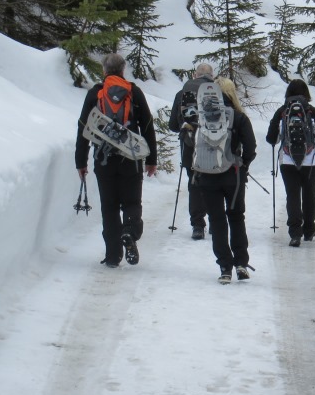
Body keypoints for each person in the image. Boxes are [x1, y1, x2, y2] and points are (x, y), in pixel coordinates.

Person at [75, 53, 158, 268]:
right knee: (131, 202)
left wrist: (81, 161)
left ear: (104, 71)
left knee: (109, 207)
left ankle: (113, 255)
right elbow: (148, 126)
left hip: (104, 159)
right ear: (123, 70)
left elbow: (84, 127)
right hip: (130, 159)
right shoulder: (134, 92)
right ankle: (129, 232)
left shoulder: (96, 93)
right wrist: (151, 159)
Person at [193, 77, 257, 284]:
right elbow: (251, 147)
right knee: (236, 217)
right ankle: (240, 263)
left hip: (207, 175)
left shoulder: (202, 117)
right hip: (233, 176)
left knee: (217, 221)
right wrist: (243, 164)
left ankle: (224, 267)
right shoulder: (239, 117)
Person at [265, 79, 315, 247]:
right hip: (311, 162)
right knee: (309, 195)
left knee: (292, 195)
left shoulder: (283, 111)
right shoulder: (311, 110)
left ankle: (295, 233)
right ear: (306, 93)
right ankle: (309, 230)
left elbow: (271, 138)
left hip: (287, 160)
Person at [167, 62, 215, 240]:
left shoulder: (182, 93)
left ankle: (197, 225)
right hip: (213, 145)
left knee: (194, 182)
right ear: (212, 76)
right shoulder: (218, 91)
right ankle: (215, 221)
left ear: (195, 75)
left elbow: (173, 125)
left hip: (189, 145)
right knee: (212, 182)